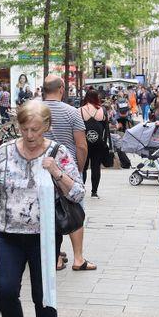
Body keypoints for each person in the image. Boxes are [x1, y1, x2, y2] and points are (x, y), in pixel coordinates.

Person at [0, 100, 85, 317]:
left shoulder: (58, 153)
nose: (29, 135)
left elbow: (78, 193)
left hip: (44, 237)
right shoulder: (3, 153)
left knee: (43, 294)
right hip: (8, 233)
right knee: (7, 289)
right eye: (24, 129)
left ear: (46, 127)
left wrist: (56, 171)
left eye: (35, 129)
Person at [41, 74, 95, 272]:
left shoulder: (37, 111)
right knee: (74, 211)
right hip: (66, 169)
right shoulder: (72, 112)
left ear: (43, 90)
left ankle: (54, 257)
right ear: (62, 88)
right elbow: (81, 146)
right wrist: (78, 170)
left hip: (41, 169)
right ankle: (78, 258)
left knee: (49, 212)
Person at [80, 89, 110, 199]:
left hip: (84, 143)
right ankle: (94, 192)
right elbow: (106, 129)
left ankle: (81, 189)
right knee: (96, 167)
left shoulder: (80, 110)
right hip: (98, 144)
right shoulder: (102, 110)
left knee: (83, 167)